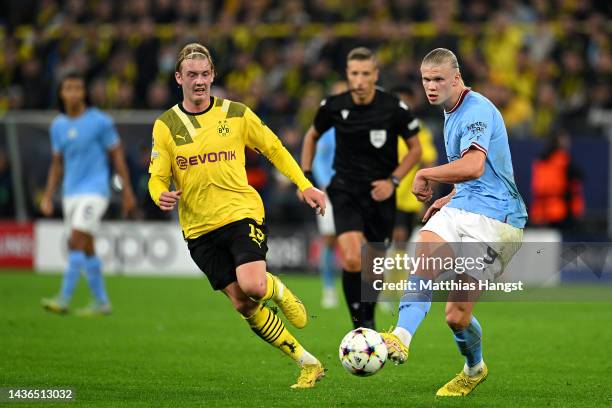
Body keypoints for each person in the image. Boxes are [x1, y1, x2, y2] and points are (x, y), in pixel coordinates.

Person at [148, 43, 327, 389]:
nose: (199, 81)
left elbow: (274, 147)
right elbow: (157, 175)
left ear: (213, 75)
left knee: (254, 286)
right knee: (243, 305)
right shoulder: (166, 125)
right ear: (178, 78)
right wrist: (160, 195)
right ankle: (308, 363)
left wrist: (305, 185)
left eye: (204, 74)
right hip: (198, 229)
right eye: (191, 75)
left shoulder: (236, 113)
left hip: (240, 213)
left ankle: (279, 290)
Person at [380, 48, 527, 397]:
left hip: (498, 219)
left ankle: (474, 368)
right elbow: (477, 174)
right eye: (426, 80)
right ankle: (400, 336)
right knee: (424, 254)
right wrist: (450, 195)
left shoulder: (476, 110)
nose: (431, 87)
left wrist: (427, 174)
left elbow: (475, 165)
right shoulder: (451, 110)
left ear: (456, 78)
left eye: (438, 80)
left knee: (456, 316)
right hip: (463, 206)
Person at [301, 47, 422, 330]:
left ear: (375, 75)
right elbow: (311, 136)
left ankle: (369, 316)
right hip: (344, 190)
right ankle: (359, 324)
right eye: (354, 73)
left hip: (380, 194)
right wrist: (306, 178)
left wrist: (393, 181)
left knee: (374, 265)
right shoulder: (333, 105)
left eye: (365, 73)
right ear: (348, 74)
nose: (359, 80)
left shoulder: (393, 107)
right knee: (353, 258)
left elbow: (415, 149)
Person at [40, 72, 136, 315]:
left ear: (84, 93)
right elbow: (57, 164)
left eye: (78, 88)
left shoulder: (100, 121)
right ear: (61, 93)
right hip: (70, 192)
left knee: (75, 239)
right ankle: (102, 302)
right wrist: (48, 195)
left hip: (95, 191)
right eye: (68, 88)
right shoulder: (58, 126)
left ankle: (64, 298)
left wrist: (127, 192)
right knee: (87, 247)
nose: (73, 93)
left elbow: (117, 156)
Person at [311, 81, 348, 309]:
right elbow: (318, 160)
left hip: (356, 191)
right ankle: (329, 289)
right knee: (330, 241)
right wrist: (325, 184)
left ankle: (372, 292)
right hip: (332, 192)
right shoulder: (327, 129)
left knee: (363, 241)